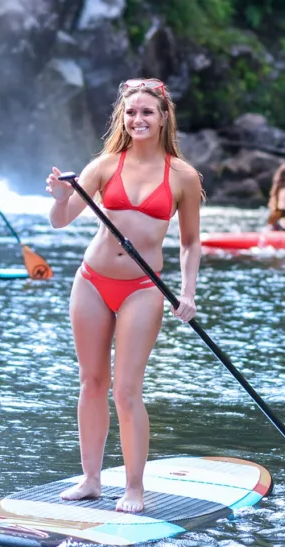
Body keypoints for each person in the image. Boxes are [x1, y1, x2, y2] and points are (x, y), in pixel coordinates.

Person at [45, 78, 202, 514]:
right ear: (122, 117)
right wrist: (59, 199)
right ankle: (91, 480)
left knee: (126, 390)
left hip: (143, 288)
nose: (138, 119)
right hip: (92, 281)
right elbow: (61, 220)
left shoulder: (183, 176)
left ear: (163, 117)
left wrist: (187, 293)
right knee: (91, 382)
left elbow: (190, 243)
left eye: (147, 112)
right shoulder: (104, 165)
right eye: (131, 112)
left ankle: (134, 488)